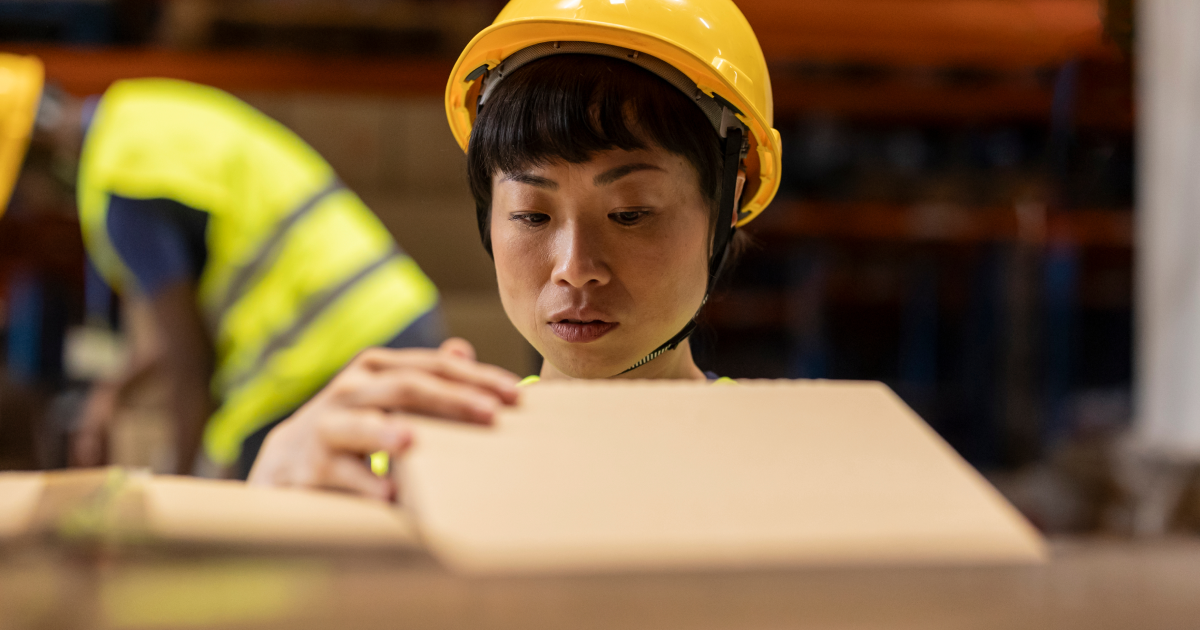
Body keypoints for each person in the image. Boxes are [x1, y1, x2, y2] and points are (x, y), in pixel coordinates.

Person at [248, 0, 783, 498]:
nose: (574, 269)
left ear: (728, 201)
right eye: (532, 215)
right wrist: (273, 496)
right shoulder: (420, 465)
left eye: (629, 214)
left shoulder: (788, 467)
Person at [0, 55, 448, 478]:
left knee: (264, 530)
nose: (33, 206)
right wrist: (114, 391)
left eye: (19, 193)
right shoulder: (138, 114)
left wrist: (174, 493)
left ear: (34, 153)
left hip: (320, 361)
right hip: (392, 316)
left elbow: (189, 363)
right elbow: (189, 326)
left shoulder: (122, 190)